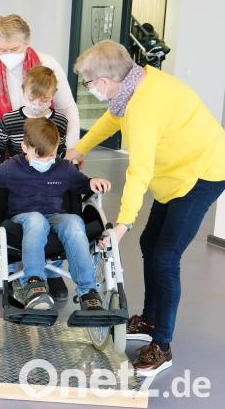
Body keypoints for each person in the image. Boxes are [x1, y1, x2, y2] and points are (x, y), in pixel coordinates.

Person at [65, 40, 225, 377]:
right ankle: (150, 320)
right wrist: (80, 149)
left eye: (89, 83)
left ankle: (162, 346)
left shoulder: (143, 107)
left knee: (165, 255)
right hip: (177, 173)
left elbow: (139, 170)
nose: (90, 89)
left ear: (105, 82)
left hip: (201, 174)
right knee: (149, 244)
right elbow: (112, 119)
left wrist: (122, 223)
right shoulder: (136, 84)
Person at [0, 15, 80, 300]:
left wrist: (71, 149)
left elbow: (68, 108)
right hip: (12, 153)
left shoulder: (47, 65)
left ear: (27, 42)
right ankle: (16, 270)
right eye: (2, 51)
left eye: (14, 50)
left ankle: (52, 272)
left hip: (49, 147)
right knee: (17, 207)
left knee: (56, 205)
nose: (7, 56)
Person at [0, 118, 110, 310]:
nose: (46, 162)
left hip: (56, 217)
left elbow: (82, 183)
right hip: (23, 219)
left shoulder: (63, 168)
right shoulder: (12, 167)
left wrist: (93, 182)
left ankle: (88, 291)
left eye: (50, 157)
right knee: (36, 220)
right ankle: (34, 283)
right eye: (39, 157)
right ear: (24, 147)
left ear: (57, 147)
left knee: (76, 222)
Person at [0, 65, 68, 159]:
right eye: (32, 98)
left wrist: (68, 157)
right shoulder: (9, 120)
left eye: (44, 99)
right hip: (17, 170)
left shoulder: (60, 121)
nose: (37, 104)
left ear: (53, 94)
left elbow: (60, 151)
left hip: (50, 171)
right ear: (23, 90)